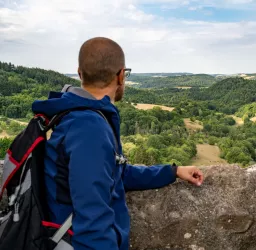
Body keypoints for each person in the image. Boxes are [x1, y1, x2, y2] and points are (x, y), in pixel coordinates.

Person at [31, 37, 204, 250]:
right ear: (121, 76)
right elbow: (92, 223)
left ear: (79, 73)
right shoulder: (89, 128)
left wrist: (173, 171)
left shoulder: (81, 118)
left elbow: (115, 175)